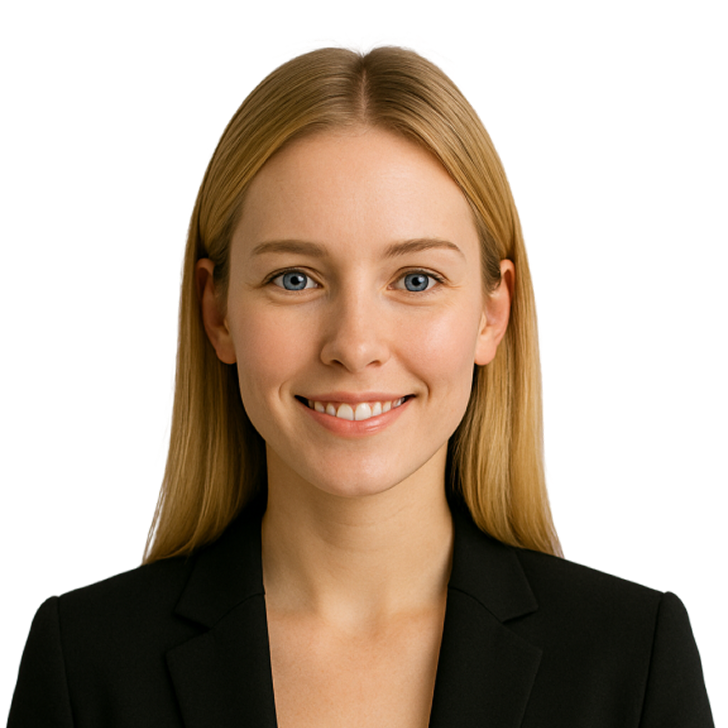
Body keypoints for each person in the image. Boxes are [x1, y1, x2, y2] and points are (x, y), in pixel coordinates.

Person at [7, 37, 713, 727]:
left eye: (416, 280)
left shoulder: (632, 660)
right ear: (216, 312)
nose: (354, 345)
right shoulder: (84, 663)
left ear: (491, 314)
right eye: (295, 279)